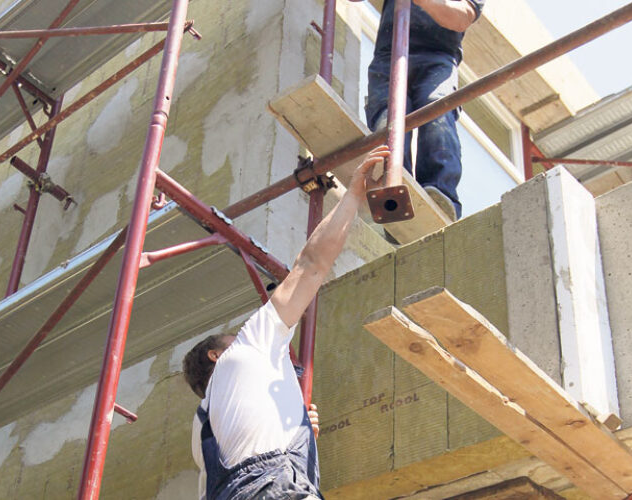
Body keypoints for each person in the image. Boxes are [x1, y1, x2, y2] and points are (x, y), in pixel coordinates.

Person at [182, 145, 391, 500]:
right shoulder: (246, 351)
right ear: (216, 355)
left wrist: (296, 430)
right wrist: (354, 194)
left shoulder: (204, 430)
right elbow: (311, 264)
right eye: (232, 337)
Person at [364, 0, 485, 222]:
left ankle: (440, 194)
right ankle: (392, 188)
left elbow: (462, 17)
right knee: (388, 118)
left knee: (437, 110)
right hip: (390, 55)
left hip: (437, 57)